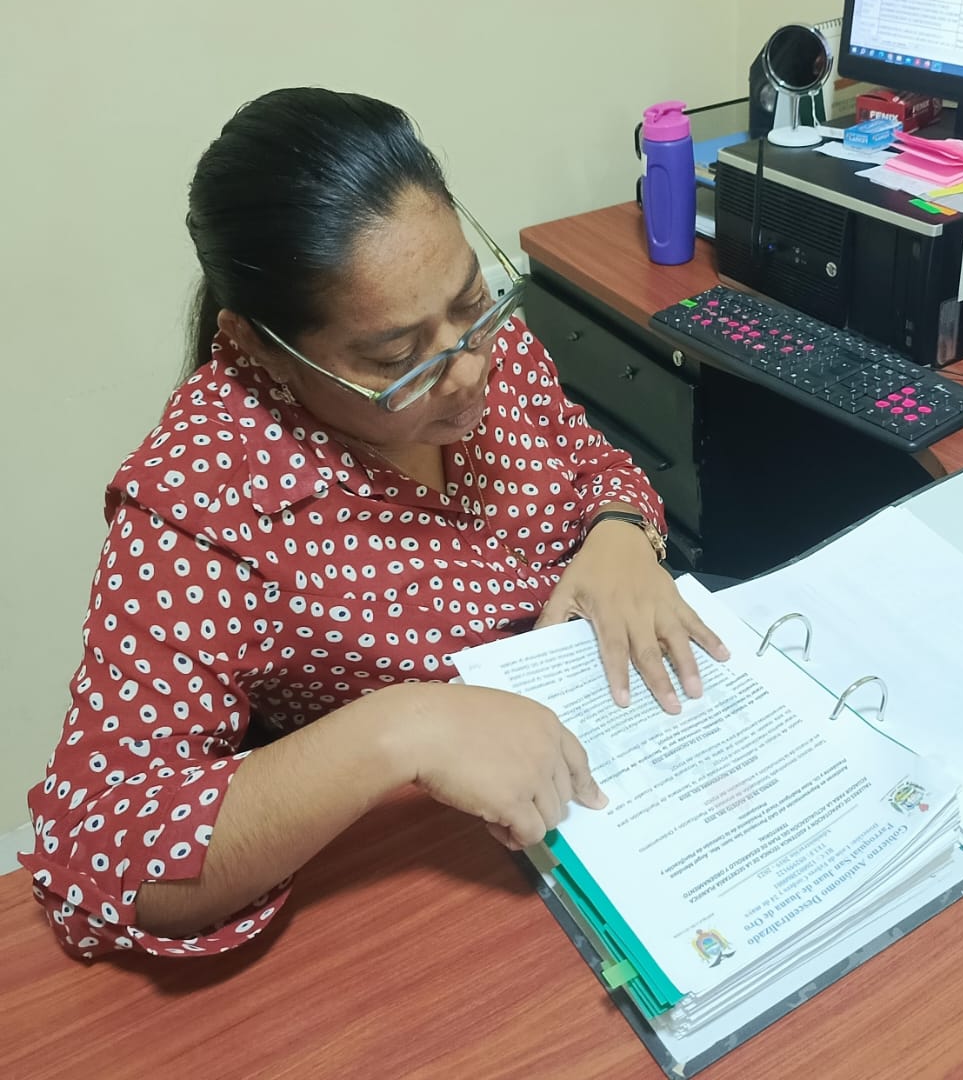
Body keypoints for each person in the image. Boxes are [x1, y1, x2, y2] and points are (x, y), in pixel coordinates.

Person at [21, 87, 728, 960]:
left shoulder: (481, 347)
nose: (465, 373)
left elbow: (590, 463)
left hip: (624, 776)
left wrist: (620, 533)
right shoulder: (201, 503)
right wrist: (402, 728)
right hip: (444, 885)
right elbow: (96, 847)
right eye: (397, 359)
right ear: (261, 347)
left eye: (471, 302)